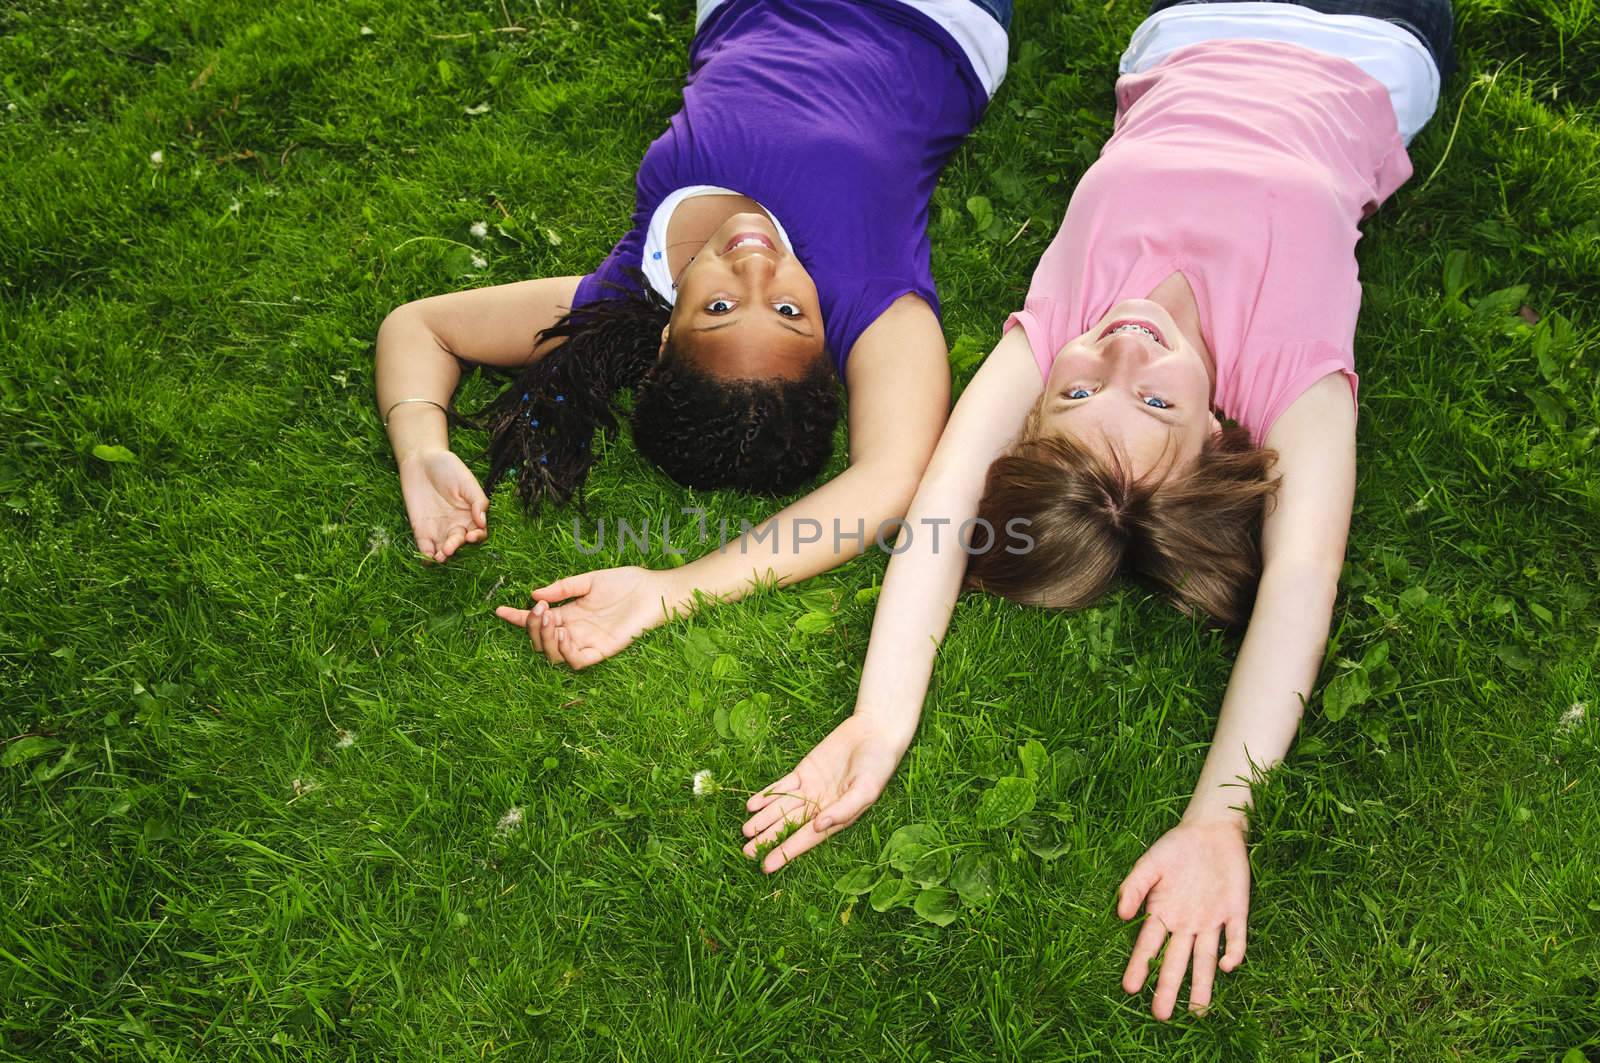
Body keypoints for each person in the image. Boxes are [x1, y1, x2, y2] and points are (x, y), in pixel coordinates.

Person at [739, 0, 1454, 1021]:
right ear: (1217, 434)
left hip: (1193, 26)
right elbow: (1301, 581)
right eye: (1155, 397)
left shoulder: (1056, 334)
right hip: (1369, 35)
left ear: (1036, 409)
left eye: (1077, 394)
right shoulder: (1288, 368)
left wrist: (880, 715)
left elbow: (942, 512)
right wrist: (1219, 820)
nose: (1119, 349)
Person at [375, 0, 1012, 665]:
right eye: (790, 313)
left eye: (719, 308)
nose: (757, 266)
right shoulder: (866, 290)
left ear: (664, 337)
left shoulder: (628, 287)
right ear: (829, 351)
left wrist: (420, 449)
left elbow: (421, 327)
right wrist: (673, 590)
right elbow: (891, 476)